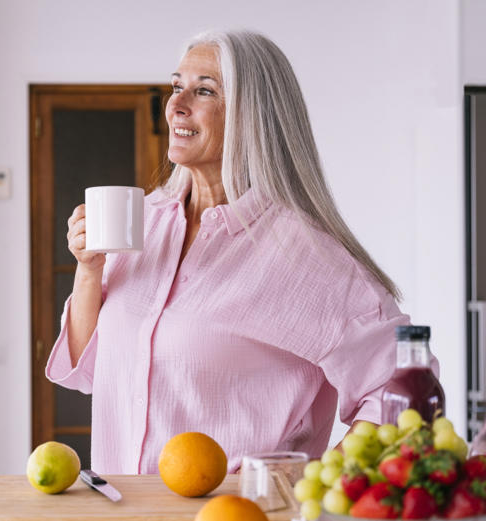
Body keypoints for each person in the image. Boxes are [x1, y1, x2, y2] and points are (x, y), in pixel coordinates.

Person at [45, 30, 420, 474]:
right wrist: (89, 272)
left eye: (204, 90)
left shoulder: (301, 251)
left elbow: (405, 390)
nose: (176, 105)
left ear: (253, 116)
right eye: (175, 85)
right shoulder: (142, 221)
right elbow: (91, 374)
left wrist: (313, 481)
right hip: (122, 507)